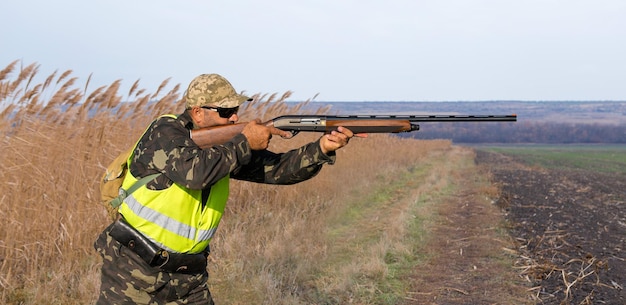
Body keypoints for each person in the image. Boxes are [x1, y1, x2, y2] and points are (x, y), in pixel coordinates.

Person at [94, 74, 360, 304]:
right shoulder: (165, 132)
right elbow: (195, 173)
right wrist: (245, 142)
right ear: (197, 112)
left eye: (235, 110)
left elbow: (278, 170)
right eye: (225, 112)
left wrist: (322, 149)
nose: (234, 117)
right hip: (132, 271)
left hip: (189, 277)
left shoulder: (224, 149)